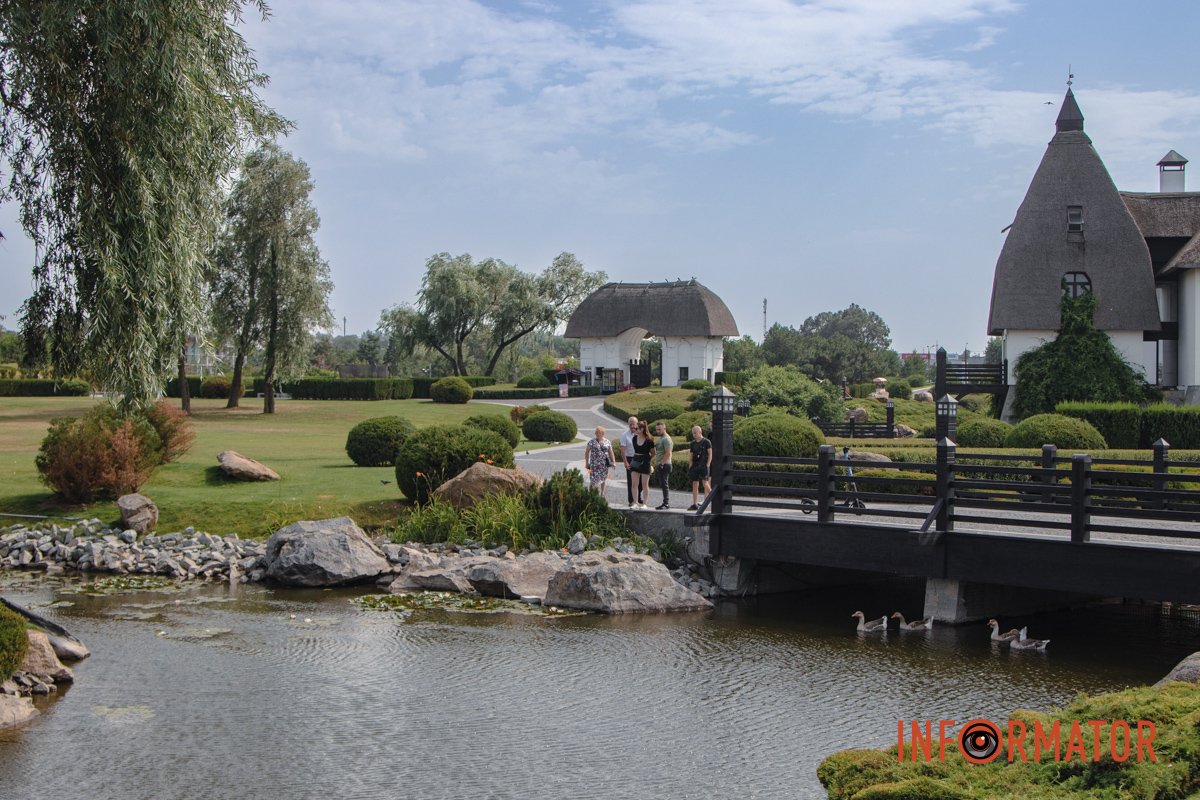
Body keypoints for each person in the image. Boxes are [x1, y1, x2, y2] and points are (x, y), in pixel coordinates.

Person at [629, 420, 655, 509]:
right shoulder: (634, 438)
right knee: (634, 484)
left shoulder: (649, 440)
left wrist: (648, 460)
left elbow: (653, 453)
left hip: (645, 461)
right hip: (636, 460)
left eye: (637, 428)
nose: (634, 429)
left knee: (644, 484)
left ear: (642, 429)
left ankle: (645, 503)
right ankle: (635, 502)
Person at [619, 416, 644, 507]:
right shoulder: (624, 435)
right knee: (631, 481)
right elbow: (622, 450)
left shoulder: (641, 434)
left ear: (637, 424)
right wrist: (625, 462)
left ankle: (638, 497)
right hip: (630, 459)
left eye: (634, 424)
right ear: (628, 424)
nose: (632, 426)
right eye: (630, 424)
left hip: (640, 458)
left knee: (641, 481)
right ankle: (631, 500)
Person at [584, 426, 616, 495]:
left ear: (603, 433)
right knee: (593, 479)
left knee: (603, 479)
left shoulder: (607, 442)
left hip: (604, 465)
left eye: (599, 432)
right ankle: (592, 494)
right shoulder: (592, 442)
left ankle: (602, 494)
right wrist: (587, 463)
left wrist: (613, 462)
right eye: (596, 432)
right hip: (594, 465)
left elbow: (611, 452)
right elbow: (587, 452)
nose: (597, 434)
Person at [688, 425, 712, 511]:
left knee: (705, 483)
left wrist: (708, 464)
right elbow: (691, 454)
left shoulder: (706, 442)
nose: (694, 435)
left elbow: (710, 453)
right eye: (693, 433)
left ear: (700, 432)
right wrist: (690, 465)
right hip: (695, 465)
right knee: (695, 484)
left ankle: (714, 498)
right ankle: (695, 503)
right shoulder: (692, 443)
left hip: (703, 465)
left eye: (695, 433)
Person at [652, 421, 673, 509]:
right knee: (663, 484)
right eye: (657, 429)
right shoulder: (661, 438)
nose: (658, 431)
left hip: (665, 464)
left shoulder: (666, 439)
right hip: (662, 464)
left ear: (664, 429)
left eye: (659, 429)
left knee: (664, 484)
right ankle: (665, 502)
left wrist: (662, 464)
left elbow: (668, 453)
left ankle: (666, 503)